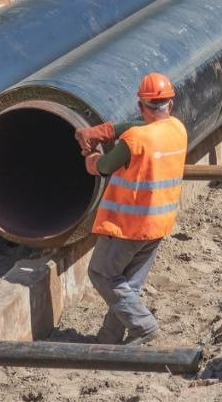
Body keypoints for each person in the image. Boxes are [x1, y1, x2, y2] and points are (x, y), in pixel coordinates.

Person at [74, 72, 188, 346]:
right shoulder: (177, 128)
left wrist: (90, 153)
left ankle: (144, 326)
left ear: (140, 105)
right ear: (169, 105)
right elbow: (142, 125)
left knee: (102, 274)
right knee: (128, 284)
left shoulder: (136, 140)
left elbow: (102, 167)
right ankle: (110, 338)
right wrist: (107, 131)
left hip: (128, 226)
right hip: (158, 224)